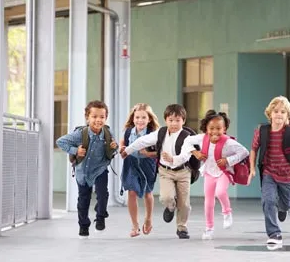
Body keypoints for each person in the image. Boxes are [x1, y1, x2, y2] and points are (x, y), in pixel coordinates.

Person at [121, 104, 194, 239]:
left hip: (182, 171)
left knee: (184, 203)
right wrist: (127, 150)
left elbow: (187, 155)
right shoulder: (160, 133)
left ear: (183, 121)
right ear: (166, 120)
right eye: (170, 120)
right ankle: (170, 207)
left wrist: (173, 159)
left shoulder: (187, 136)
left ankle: (182, 227)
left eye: (177, 120)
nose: (173, 123)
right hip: (165, 171)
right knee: (166, 197)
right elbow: (142, 141)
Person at [173, 110, 249, 240]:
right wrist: (195, 152)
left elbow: (244, 152)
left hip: (223, 172)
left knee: (220, 192)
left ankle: (227, 213)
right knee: (208, 201)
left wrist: (228, 160)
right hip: (209, 172)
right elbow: (187, 141)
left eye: (218, 128)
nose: (215, 131)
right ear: (206, 129)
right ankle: (209, 228)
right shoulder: (202, 138)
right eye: (211, 128)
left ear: (224, 128)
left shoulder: (228, 142)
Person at [56, 100, 118, 239]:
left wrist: (115, 147)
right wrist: (75, 150)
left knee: (103, 195)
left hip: (100, 168)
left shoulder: (108, 132)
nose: (98, 120)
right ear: (87, 117)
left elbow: (115, 147)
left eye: (102, 117)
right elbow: (60, 141)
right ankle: (84, 226)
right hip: (83, 172)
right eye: (94, 116)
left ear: (105, 118)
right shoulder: (80, 134)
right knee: (83, 200)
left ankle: (100, 216)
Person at [248, 96, 290, 245]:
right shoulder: (262, 131)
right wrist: (252, 168)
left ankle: (284, 208)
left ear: (287, 116)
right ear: (270, 113)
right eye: (276, 111)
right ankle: (274, 233)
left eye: (283, 112)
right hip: (269, 172)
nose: (279, 114)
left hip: (287, 175)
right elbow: (253, 149)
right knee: (268, 200)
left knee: (285, 203)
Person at [120, 103, 160, 237]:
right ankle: (135, 225)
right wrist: (121, 147)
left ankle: (148, 219)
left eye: (143, 117)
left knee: (148, 193)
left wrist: (148, 154)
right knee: (131, 192)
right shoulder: (128, 131)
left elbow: (159, 152)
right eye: (137, 117)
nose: (140, 120)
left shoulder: (153, 134)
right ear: (133, 118)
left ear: (149, 119)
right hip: (131, 164)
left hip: (147, 165)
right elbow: (123, 142)